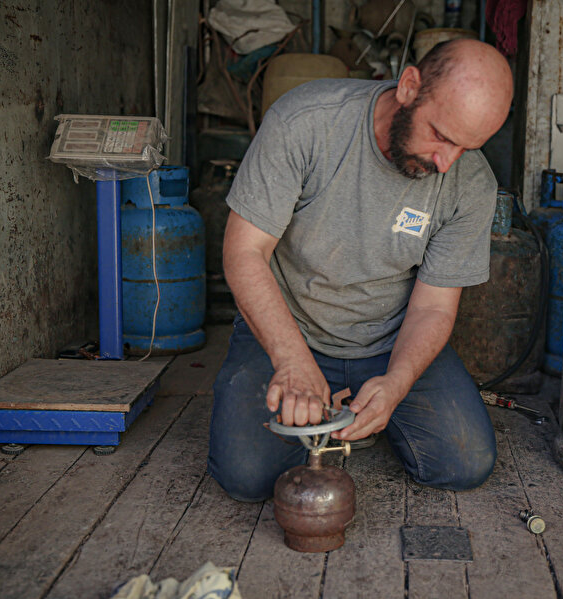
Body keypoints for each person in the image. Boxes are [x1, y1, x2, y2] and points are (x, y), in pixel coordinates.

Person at [209, 39, 514, 502]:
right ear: (409, 86)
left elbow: (433, 305)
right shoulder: (306, 122)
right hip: (291, 330)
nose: (446, 162)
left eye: (467, 147)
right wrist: (292, 363)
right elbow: (244, 253)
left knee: (464, 462)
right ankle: (333, 409)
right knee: (248, 478)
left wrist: (397, 385)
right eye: (442, 136)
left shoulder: (470, 182)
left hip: (390, 341)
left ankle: (359, 413)